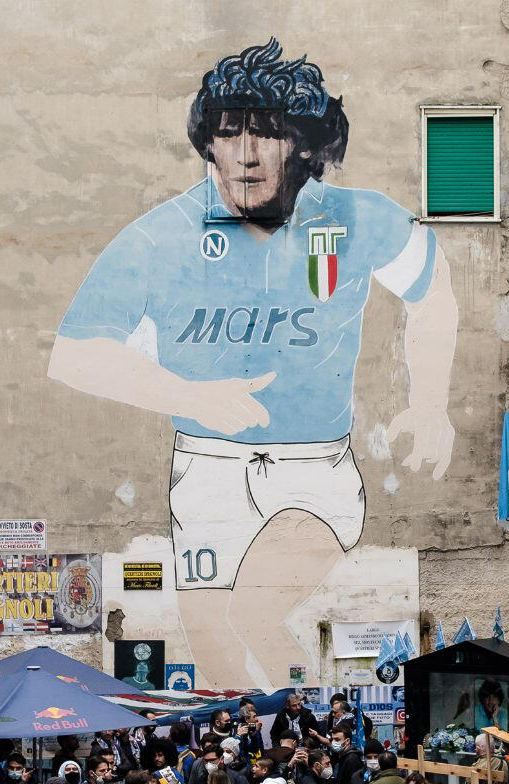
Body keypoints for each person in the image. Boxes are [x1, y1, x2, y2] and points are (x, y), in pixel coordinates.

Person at [46, 38, 457, 690]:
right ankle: (260, 756)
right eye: (229, 131)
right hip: (205, 467)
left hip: (312, 468)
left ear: (300, 143)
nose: (246, 150)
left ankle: (311, 727)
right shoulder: (162, 235)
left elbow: (432, 290)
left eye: (266, 132)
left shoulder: (353, 217)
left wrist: (430, 403)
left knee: (253, 610)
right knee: (211, 645)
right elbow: (74, 354)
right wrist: (193, 395)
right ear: (208, 144)